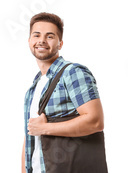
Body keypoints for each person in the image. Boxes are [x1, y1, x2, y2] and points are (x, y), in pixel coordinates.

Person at [21, 12, 106, 173]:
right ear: (29, 41)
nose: (42, 41)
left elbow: (95, 121)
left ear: (60, 43)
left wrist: (45, 128)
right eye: (36, 35)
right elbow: (30, 135)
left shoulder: (72, 73)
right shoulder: (33, 88)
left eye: (50, 36)